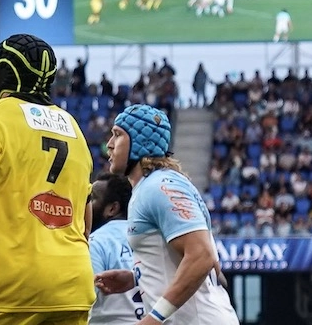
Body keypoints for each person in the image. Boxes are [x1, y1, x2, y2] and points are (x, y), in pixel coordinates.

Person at [0, 33, 94, 325]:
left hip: (12, 285)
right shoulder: (73, 128)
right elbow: (83, 224)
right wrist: (0, 224)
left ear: (2, 73)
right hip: (73, 285)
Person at [95, 105, 239, 325]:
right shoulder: (156, 185)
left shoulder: (159, 186)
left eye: (117, 135)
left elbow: (201, 256)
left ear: (139, 143)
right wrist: (135, 278)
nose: (110, 145)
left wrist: (154, 319)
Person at [88, 173, 143, 325]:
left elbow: (86, 299)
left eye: (92, 199)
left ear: (112, 208)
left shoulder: (96, 242)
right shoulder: (151, 239)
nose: (85, 205)